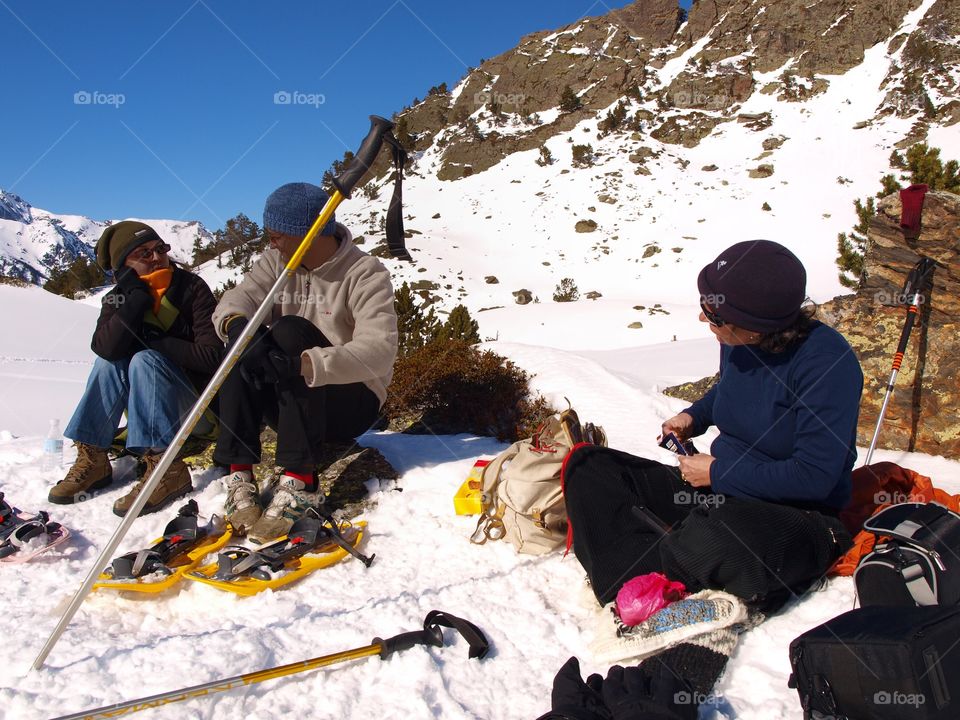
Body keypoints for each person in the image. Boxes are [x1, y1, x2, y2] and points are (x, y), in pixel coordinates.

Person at [564, 240, 863, 611]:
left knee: (720, 537)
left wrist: (719, 473)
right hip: (720, 494)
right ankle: (644, 584)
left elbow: (814, 477)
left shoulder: (827, 365)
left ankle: (645, 580)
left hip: (796, 515)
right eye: (706, 307)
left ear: (758, 328)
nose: (704, 320)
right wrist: (694, 417)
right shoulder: (737, 339)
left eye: (715, 316)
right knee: (589, 466)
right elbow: (730, 389)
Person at [213, 182, 398, 544]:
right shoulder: (277, 263)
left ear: (308, 234)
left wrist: (306, 365)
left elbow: (379, 351)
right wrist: (235, 325)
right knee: (243, 338)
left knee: (290, 330)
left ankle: (302, 482)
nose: (272, 244)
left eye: (278, 236)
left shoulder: (365, 273)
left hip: (349, 403)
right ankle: (239, 474)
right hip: (290, 401)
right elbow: (239, 298)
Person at [49, 221, 222, 516]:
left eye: (160, 249)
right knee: (109, 362)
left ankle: (166, 469)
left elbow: (211, 357)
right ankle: (93, 458)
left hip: (198, 409)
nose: (157, 257)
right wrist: (135, 302)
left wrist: (157, 343)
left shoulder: (192, 288)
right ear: (123, 266)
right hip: (149, 410)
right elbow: (104, 349)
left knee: (145, 359)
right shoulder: (119, 297)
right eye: (143, 253)